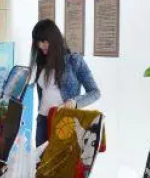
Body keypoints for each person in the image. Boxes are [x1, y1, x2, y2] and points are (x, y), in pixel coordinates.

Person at [31, 19, 101, 147]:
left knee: (61, 159)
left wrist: (73, 102)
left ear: (54, 39)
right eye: (38, 42)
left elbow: (95, 92)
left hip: (64, 122)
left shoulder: (74, 60)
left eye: (44, 41)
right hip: (42, 121)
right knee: (40, 159)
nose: (41, 46)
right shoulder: (41, 61)